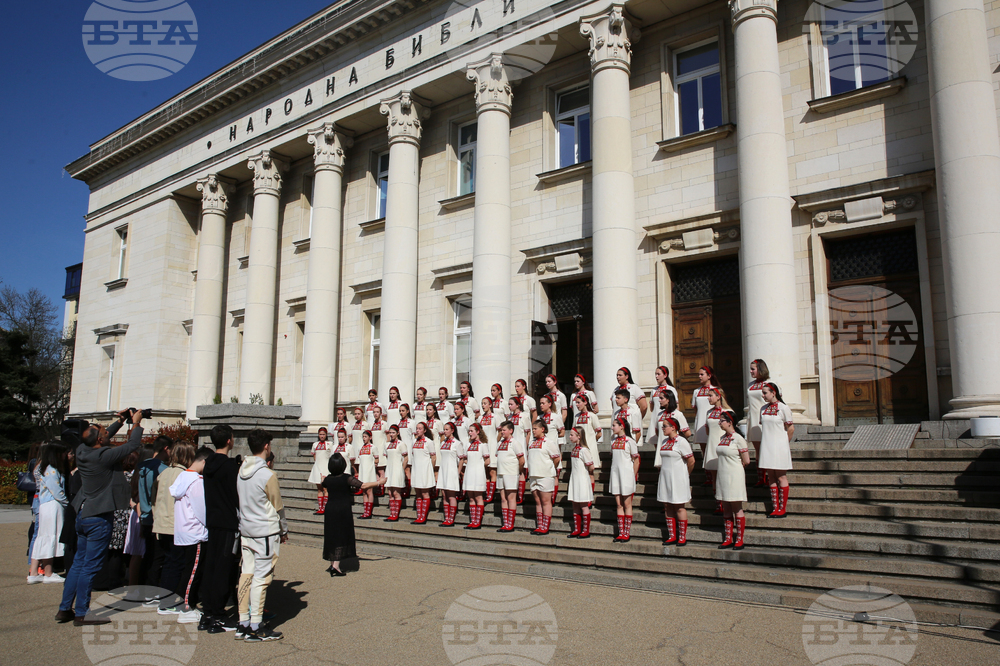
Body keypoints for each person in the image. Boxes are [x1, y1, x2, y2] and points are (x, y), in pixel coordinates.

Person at [56, 408, 146, 626]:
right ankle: (82, 613)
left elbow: (100, 437)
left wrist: (120, 421)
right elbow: (133, 445)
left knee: (78, 564)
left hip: (83, 513)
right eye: (105, 432)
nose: (108, 433)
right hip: (98, 516)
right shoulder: (103, 456)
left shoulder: (81, 450)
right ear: (99, 440)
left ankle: (65, 608)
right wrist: (136, 423)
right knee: (90, 567)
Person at [236, 428, 288, 642]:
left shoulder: (241, 470)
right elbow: (278, 506)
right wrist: (284, 529)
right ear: (266, 446)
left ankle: (243, 621)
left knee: (246, 574)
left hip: (247, 529)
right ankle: (256, 625)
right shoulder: (267, 474)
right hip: (265, 531)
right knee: (262, 578)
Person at [200, 425, 241, 633]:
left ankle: (208, 611)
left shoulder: (208, 464)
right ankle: (217, 614)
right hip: (227, 522)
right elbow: (236, 495)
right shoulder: (229, 467)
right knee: (224, 569)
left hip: (213, 520)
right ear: (228, 441)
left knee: (211, 565)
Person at [166, 445, 212, 624]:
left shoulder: (182, 476)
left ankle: (187, 603)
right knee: (193, 572)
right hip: (195, 531)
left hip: (183, 529)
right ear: (204, 462)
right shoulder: (196, 481)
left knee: (188, 569)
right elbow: (201, 510)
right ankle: (186, 607)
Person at [323, 453, 383, 577]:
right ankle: (336, 566)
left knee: (332, 534)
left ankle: (333, 562)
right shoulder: (346, 478)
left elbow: (324, 484)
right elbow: (363, 485)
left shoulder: (328, 479)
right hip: (342, 508)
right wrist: (379, 482)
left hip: (330, 508)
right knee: (341, 534)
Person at [154, 440, 189, 612]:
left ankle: (164, 599)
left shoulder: (164, 473)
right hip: (175, 524)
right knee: (176, 564)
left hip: (161, 523)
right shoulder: (183, 475)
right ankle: (168, 601)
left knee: (168, 562)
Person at [137, 436, 171, 591]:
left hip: (144, 516)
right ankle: (151, 590)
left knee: (147, 556)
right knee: (157, 558)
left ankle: (142, 588)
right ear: (166, 449)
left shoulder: (143, 467)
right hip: (155, 517)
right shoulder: (161, 469)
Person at [31, 442, 68, 583]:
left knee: (43, 537)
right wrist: (67, 504)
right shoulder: (51, 470)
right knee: (50, 536)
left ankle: (34, 572)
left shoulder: (44, 468)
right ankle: (48, 572)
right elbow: (57, 491)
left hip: (45, 505)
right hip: (53, 505)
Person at [656, 417, 695, 547]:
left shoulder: (682, 442)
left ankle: (682, 536)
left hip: (678, 478)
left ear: (673, 427)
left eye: (665, 426)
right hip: (665, 477)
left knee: (679, 506)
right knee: (667, 505)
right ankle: (672, 535)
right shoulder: (664, 441)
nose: (663, 428)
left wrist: (685, 474)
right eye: (662, 426)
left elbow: (691, 461)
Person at [759, 382, 794, 519]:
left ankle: (782, 509)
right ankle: (775, 508)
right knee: (771, 477)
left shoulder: (783, 408)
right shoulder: (763, 409)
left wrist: (784, 443)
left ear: (773, 393)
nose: (763, 395)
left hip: (779, 446)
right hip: (767, 446)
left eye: (765, 393)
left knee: (781, 476)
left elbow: (790, 428)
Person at [716, 411, 750, 550]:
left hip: (734, 475)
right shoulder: (722, 438)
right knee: (726, 508)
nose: (719, 423)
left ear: (730, 422)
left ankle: (739, 539)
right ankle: (728, 538)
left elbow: (746, 460)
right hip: (722, 475)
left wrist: (736, 468)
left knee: (736, 507)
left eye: (722, 420)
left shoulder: (738, 438)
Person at [608, 415, 640, 543]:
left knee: (627, 504)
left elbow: (636, 460)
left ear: (622, 426)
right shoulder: (613, 440)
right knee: (619, 504)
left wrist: (633, 475)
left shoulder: (630, 441)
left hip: (626, 475)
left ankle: (627, 532)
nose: (612, 428)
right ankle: (621, 532)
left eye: (614, 425)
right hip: (615, 474)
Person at [526, 420, 560, 535]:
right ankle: (539, 525)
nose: (533, 431)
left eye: (535, 428)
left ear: (543, 429)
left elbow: (556, 458)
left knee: (545, 501)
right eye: (533, 429)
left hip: (545, 475)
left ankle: (545, 526)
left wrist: (549, 468)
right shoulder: (531, 442)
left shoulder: (549, 442)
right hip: (533, 475)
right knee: (538, 501)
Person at [494, 422, 525, 533]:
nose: (502, 432)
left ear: (511, 431)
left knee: (511, 498)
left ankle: (510, 524)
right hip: (500, 473)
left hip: (511, 473)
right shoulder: (499, 443)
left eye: (504, 430)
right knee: (503, 498)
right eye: (501, 430)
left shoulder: (515, 443)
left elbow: (521, 460)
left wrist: (518, 471)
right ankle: (505, 523)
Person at [566, 427, 594, 539]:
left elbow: (591, 466)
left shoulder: (584, 450)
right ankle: (577, 529)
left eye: (572, 435)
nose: (570, 437)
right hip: (574, 479)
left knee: (583, 505)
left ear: (579, 436)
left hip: (582, 480)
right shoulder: (574, 449)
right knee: (575, 505)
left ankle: (586, 530)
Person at [436, 423, 466, 527]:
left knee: (451, 495)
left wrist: (458, 472)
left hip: (452, 470)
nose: (445, 431)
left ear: (452, 430)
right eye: (444, 429)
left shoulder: (457, 443)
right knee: (444, 494)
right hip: (443, 470)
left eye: (447, 429)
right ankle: (446, 518)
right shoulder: (443, 442)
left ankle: (451, 519)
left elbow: (461, 459)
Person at [653, 394, 692, 470]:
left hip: (675, 448)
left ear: (668, 399)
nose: (659, 400)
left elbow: (688, 433)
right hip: (663, 446)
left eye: (661, 398)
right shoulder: (660, 414)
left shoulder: (678, 414)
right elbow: (657, 431)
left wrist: (678, 441)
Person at [409, 422, 438, 525]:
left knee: (425, 493)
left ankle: (423, 517)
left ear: (425, 430)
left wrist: (430, 469)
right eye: (417, 428)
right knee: (418, 493)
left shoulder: (429, 442)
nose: (417, 430)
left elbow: (433, 457)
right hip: (416, 469)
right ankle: (419, 516)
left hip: (425, 469)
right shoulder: (413, 441)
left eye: (420, 429)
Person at [747, 359, 770, 487]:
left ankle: (769, 476)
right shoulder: (750, 385)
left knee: (766, 448)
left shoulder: (769, 384)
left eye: (753, 369)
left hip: (765, 419)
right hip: (753, 418)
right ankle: (761, 477)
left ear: (760, 369)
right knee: (758, 449)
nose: (750, 371)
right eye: (750, 369)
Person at [463, 423, 490, 529]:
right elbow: (465, 459)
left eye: (472, 431)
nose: (470, 433)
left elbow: (487, 461)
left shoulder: (483, 445)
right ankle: (473, 521)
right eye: (469, 431)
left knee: (478, 497)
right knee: (471, 498)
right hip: (469, 472)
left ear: (478, 432)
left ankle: (477, 522)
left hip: (478, 473)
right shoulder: (467, 445)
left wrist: (479, 466)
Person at [538, 395, 565, 498]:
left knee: (554, 474)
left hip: (552, 449)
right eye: (540, 403)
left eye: (543, 403)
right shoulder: (539, 418)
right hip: (542, 449)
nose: (541, 405)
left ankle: (553, 497)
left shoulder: (556, 417)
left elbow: (562, 431)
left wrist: (553, 440)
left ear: (549, 404)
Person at [573, 395, 602, 487]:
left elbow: (599, 433)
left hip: (590, 448)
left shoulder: (592, 416)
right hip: (579, 448)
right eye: (576, 403)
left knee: (590, 473)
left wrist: (591, 441)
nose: (577, 405)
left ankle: (590, 493)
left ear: (585, 402)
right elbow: (574, 431)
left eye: (578, 402)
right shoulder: (576, 416)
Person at [507, 397, 531, 504]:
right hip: (511, 446)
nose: (509, 406)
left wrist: (525, 445)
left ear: (517, 405)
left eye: (511, 404)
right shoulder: (509, 417)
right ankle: (514, 493)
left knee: (521, 470)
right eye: (508, 404)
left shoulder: (524, 416)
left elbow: (528, 432)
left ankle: (520, 495)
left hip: (520, 444)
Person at [647, 366, 679, 445]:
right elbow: (652, 406)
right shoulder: (654, 390)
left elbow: (676, 406)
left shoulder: (671, 389)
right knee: (656, 443)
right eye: (655, 374)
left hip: (667, 419)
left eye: (658, 374)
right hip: (656, 418)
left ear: (665, 375)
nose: (656, 376)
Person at [351, 430, 379, 520]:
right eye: (363, 437)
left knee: (369, 491)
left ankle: (369, 512)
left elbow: (377, 459)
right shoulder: (360, 448)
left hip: (369, 471)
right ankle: (365, 511)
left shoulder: (373, 447)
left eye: (365, 437)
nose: (364, 438)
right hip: (363, 471)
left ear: (370, 437)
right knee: (364, 492)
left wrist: (373, 467)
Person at [383, 425, 408, 522]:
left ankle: (396, 515)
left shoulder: (401, 444)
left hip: (397, 470)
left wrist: (401, 469)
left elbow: (406, 458)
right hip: (389, 470)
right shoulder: (386, 444)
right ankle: (391, 513)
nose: (391, 434)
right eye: (390, 433)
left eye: (393, 432)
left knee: (396, 493)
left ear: (398, 433)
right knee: (390, 493)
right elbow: (387, 457)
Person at [691, 366, 720, 449]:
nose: (699, 376)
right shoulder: (696, 391)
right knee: (703, 447)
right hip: (701, 422)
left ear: (709, 376)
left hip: (713, 421)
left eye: (702, 374)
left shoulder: (716, 390)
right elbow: (695, 409)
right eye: (699, 374)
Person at [307, 428, 332, 515]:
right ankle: (320, 508)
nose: (322, 436)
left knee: (326, 488)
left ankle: (325, 507)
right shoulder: (315, 444)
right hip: (317, 467)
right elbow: (314, 456)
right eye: (320, 434)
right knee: (319, 488)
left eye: (323, 434)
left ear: (326, 435)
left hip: (326, 467)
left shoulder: (330, 444)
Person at [479, 397, 499, 503]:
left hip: (492, 445)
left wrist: (496, 442)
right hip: (483, 446)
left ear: (490, 405)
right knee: (485, 470)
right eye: (482, 403)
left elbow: (500, 432)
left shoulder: (495, 417)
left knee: (492, 471)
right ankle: (486, 493)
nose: (483, 405)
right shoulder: (480, 418)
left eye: (485, 403)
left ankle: (491, 494)